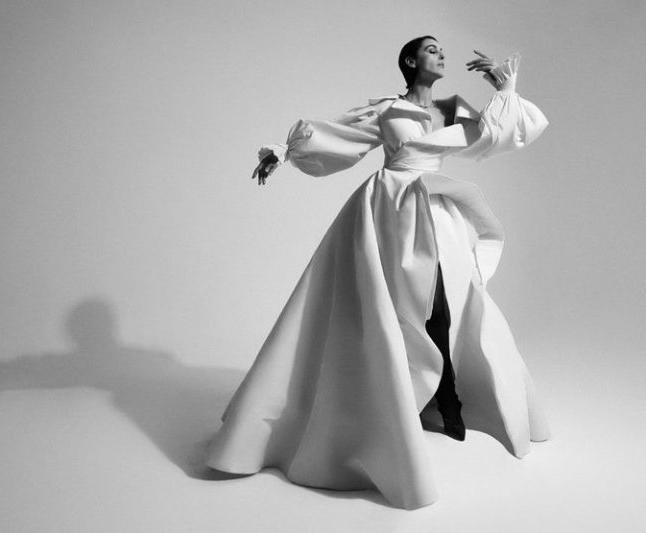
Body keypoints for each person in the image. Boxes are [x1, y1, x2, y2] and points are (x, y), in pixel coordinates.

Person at [206, 36, 551, 510]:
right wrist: (284, 151)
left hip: (437, 208)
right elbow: (340, 136)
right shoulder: (388, 109)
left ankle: (447, 399)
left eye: (441, 50)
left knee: (451, 300)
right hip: (391, 210)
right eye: (431, 50)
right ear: (410, 61)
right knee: (390, 307)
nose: (441, 55)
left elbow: (492, 138)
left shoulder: (452, 108)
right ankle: (389, 412)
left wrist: (504, 90)